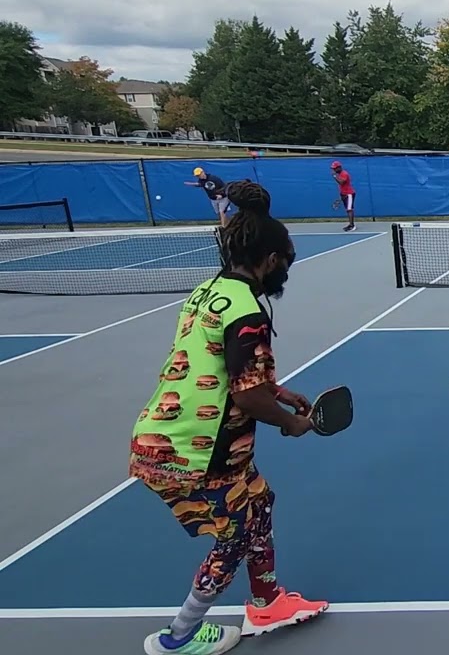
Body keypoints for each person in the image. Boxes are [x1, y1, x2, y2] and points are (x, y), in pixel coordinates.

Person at [129, 180, 328, 655]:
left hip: (164, 433)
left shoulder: (209, 292)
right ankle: (179, 636)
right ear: (272, 259)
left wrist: (279, 390)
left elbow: (214, 363)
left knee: (259, 501)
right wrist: (290, 421)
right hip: (197, 450)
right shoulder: (249, 313)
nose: (284, 273)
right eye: (286, 264)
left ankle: (266, 601)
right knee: (236, 536)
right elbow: (248, 398)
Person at [331, 161, 356, 232]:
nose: (334, 170)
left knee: (349, 209)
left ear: (339, 167)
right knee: (347, 210)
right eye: (333, 168)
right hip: (344, 194)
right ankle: (350, 224)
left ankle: (352, 226)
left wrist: (334, 176)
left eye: (335, 168)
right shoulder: (340, 174)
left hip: (349, 194)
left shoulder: (344, 174)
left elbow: (341, 182)